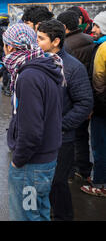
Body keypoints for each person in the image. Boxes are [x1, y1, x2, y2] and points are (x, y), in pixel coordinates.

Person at [3, 23, 64, 221]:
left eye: (4, 45)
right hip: (45, 159)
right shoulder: (44, 65)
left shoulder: (29, 76)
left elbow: (31, 131)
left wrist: (17, 161)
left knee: (26, 215)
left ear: (11, 47)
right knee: (39, 211)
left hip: (32, 164)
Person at [37, 19, 93, 221]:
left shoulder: (72, 67)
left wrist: (60, 125)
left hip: (62, 138)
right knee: (43, 182)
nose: (37, 42)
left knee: (57, 182)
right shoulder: (39, 61)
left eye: (41, 38)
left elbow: (85, 103)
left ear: (56, 41)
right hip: (39, 135)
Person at [57, 10, 96, 182]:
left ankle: (71, 171)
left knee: (70, 137)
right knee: (83, 136)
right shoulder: (91, 39)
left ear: (64, 27)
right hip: (89, 92)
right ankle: (85, 169)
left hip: (72, 98)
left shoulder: (66, 47)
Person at [80, 11, 106, 197]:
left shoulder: (103, 48)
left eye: (97, 26)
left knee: (99, 146)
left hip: (102, 109)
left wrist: (94, 106)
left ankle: (99, 185)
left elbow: (98, 81)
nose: (93, 29)